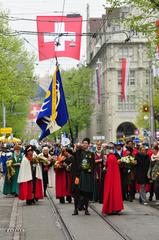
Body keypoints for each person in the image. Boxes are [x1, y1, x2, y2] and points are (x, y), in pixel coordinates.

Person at [73, 138, 95, 215]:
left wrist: (92, 174)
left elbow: (93, 165)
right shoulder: (78, 152)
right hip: (79, 175)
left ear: (88, 145)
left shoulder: (91, 154)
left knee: (86, 193)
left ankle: (86, 209)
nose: (84, 144)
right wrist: (76, 148)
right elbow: (74, 157)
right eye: (83, 143)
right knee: (77, 192)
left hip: (87, 175)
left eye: (86, 143)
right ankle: (75, 209)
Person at [102, 142, 123, 215]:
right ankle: (115, 208)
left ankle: (110, 208)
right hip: (115, 177)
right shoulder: (113, 157)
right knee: (115, 191)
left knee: (109, 191)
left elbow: (107, 169)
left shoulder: (110, 157)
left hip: (110, 177)